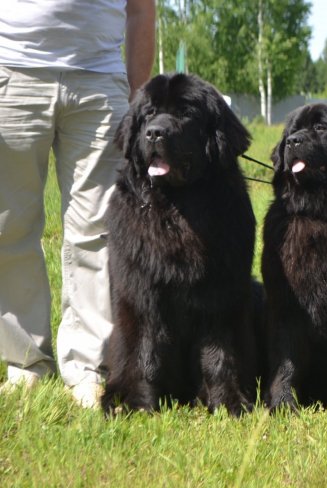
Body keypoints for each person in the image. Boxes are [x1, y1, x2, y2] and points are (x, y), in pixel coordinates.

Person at [0, 0, 156, 408]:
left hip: (100, 77)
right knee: (8, 227)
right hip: (12, 68)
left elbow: (142, 9)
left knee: (99, 230)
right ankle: (25, 362)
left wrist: (139, 95)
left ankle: (88, 366)